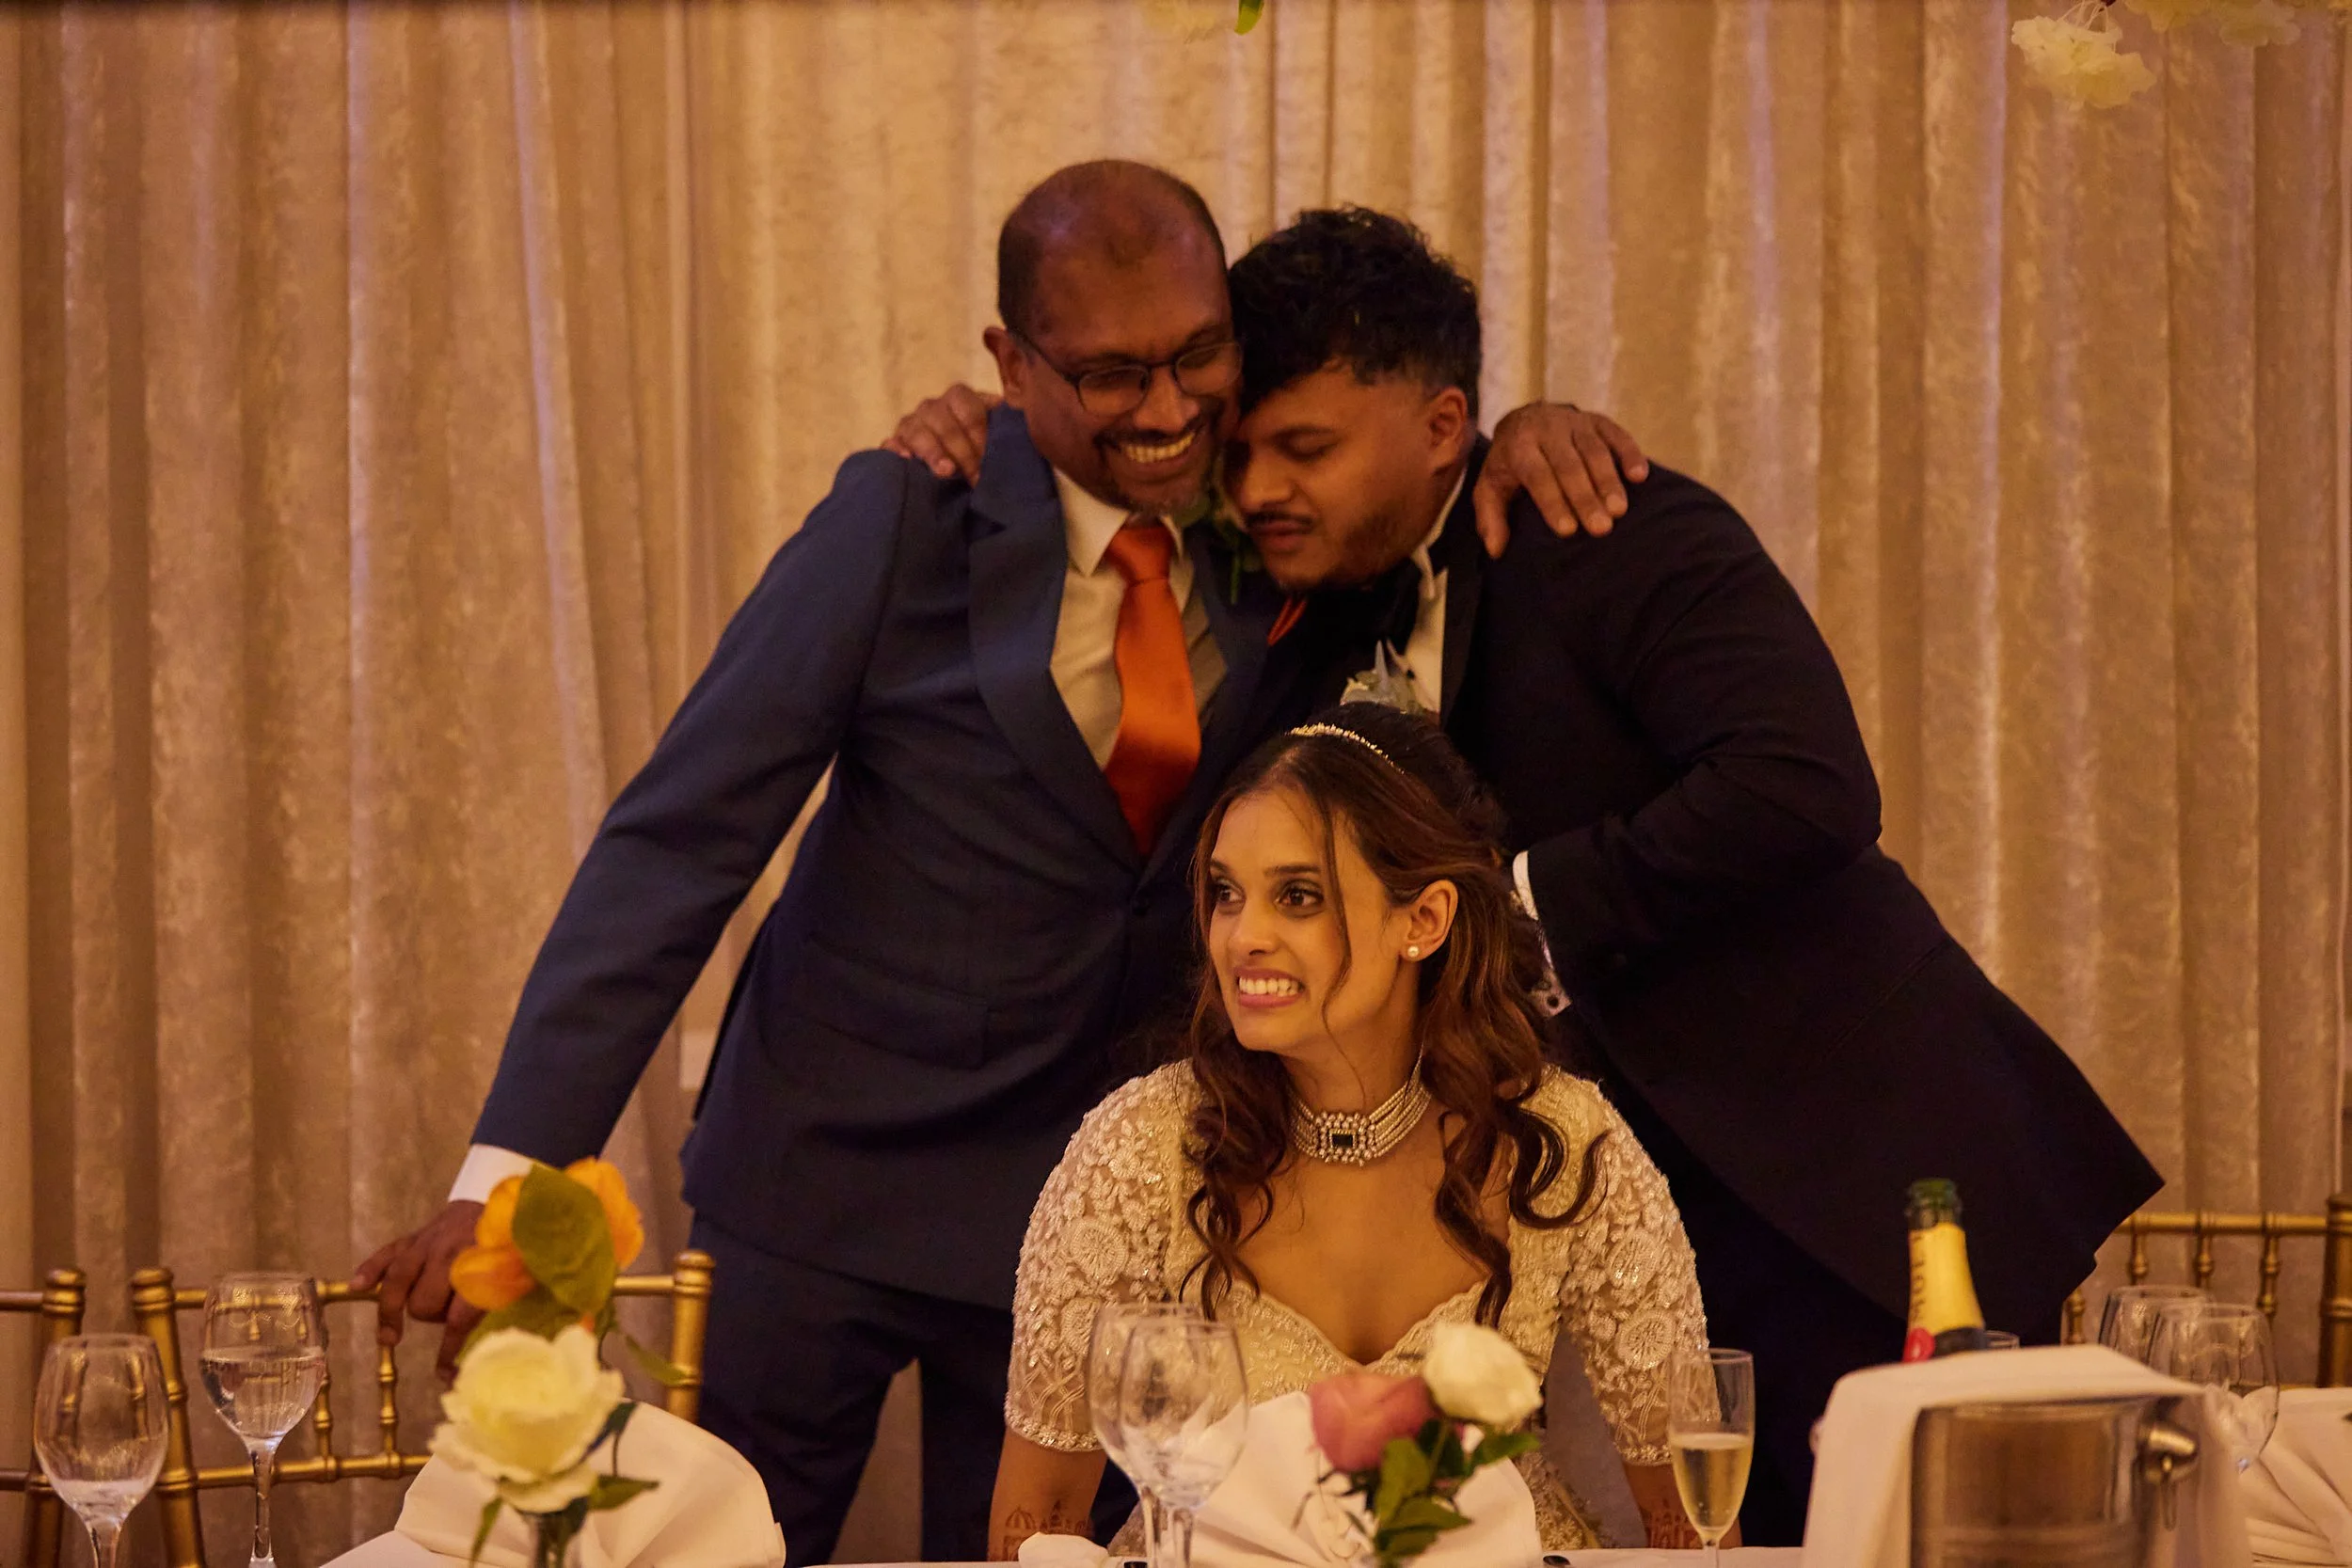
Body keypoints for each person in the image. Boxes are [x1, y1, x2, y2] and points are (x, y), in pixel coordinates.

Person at [351, 162, 1645, 1566]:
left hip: (1066, 1219)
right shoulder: (909, 515)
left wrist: (1521, 429)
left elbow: (1407, 481)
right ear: (1009, 364)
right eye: (1106, 372)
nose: (1165, 409)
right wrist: (512, 1163)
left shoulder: (1283, 538)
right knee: (709, 1539)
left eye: (1197, 354)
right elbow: (682, 836)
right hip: (818, 1182)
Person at [896, 205, 2164, 1545]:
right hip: (1619, 1198)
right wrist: (986, 421)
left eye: (1306, 447)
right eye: (1245, 450)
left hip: (1845, 1173)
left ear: (1445, 428)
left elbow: (1806, 785)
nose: (1259, 485)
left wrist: (1511, 909)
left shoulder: (1606, 522)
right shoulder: (1305, 595)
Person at [992, 704, 1709, 1559]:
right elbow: (1036, 1523)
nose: (1242, 937)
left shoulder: (1557, 1145)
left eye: (1298, 896)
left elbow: (1693, 1526)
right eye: (1226, 893)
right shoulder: (1142, 1151)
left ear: (1425, 920)